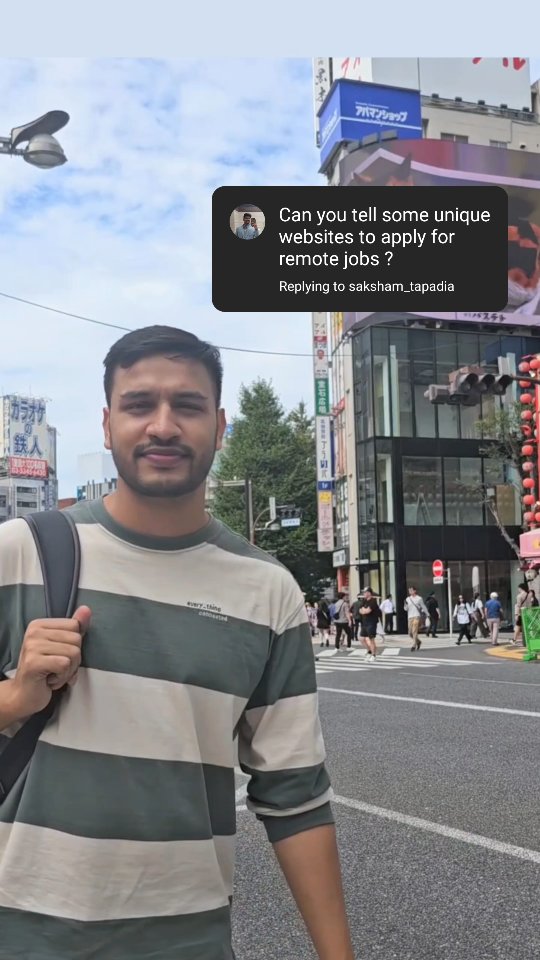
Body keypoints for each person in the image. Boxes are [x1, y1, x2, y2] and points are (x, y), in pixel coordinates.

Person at [0, 326, 355, 960]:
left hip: (189, 940)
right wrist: (14, 699)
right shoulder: (18, 553)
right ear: (107, 424)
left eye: (187, 406)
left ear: (219, 427)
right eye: (139, 404)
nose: (162, 426)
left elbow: (295, 795)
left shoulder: (267, 590)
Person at [359, 588, 381, 662]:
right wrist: (364, 610)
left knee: (371, 639)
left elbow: (368, 611)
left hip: (371, 622)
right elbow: (360, 610)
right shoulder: (364, 601)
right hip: (364, 622)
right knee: (361, 638)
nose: (364, 594)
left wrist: (364, 610)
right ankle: (369, 651)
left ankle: (373, 655)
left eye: (365, 592)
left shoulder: (373, 601)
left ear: (369, 593)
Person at [404, 586, 428, 651]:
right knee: (410, 633)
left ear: (415, 591)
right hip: (410, 617)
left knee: (414, 631)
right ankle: (418, 641)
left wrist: (427, 614)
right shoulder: (407, 599)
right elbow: (405, 609)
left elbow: (423, 606)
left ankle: (414, 645)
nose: (410, 592)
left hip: (417, 616)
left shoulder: (419, 598)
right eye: (409, 591)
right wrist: (405, 605)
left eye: (411, 590)